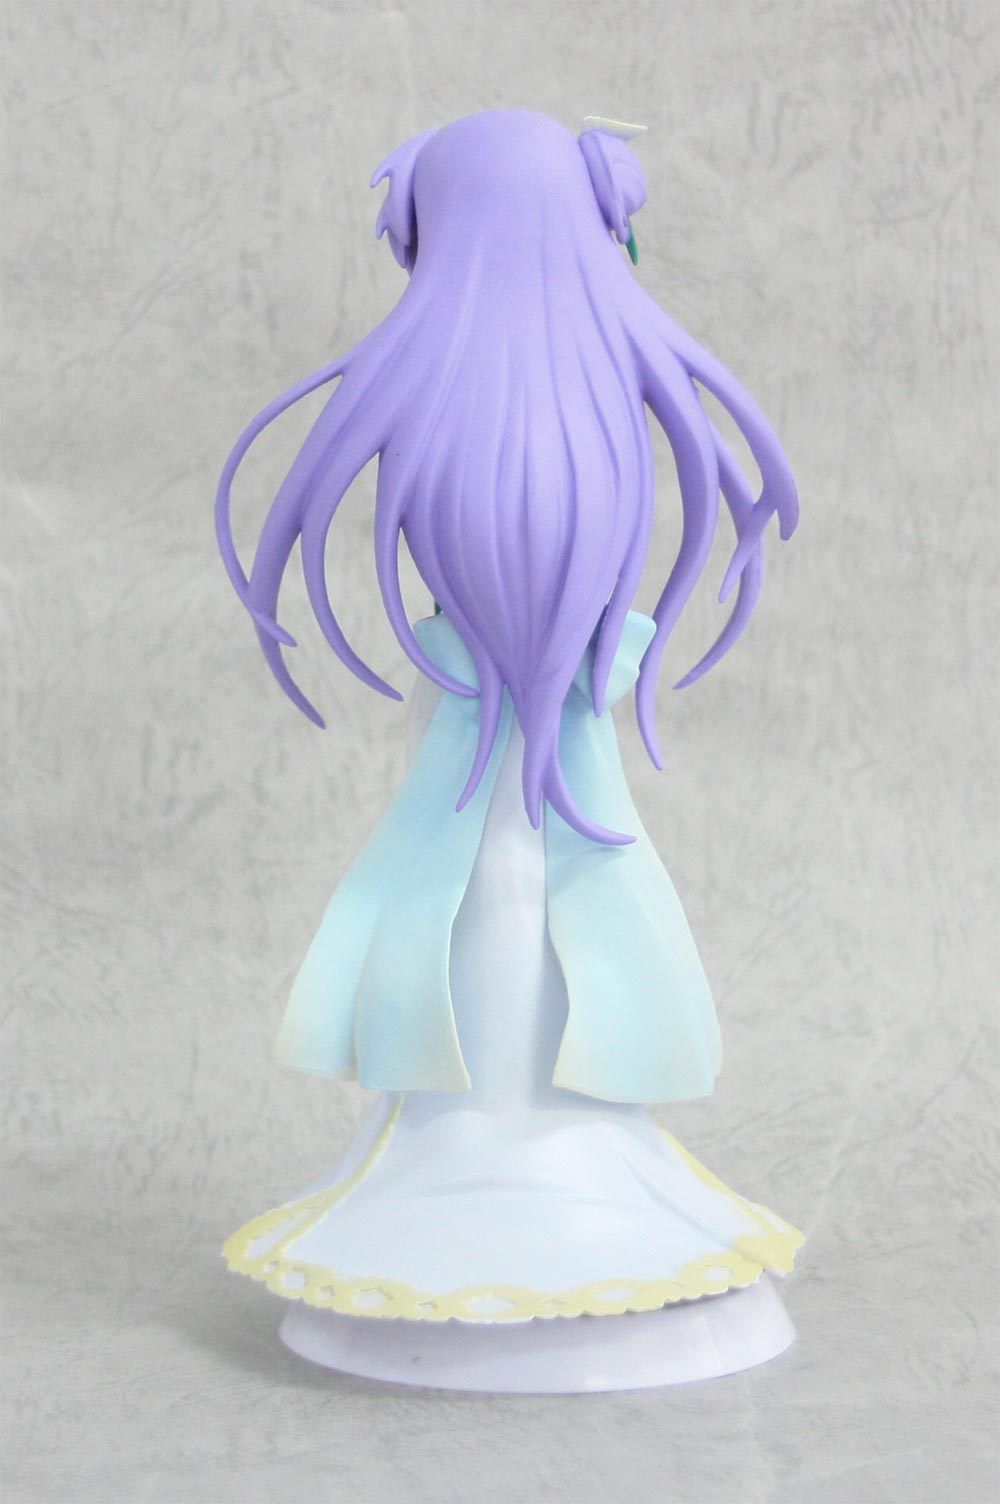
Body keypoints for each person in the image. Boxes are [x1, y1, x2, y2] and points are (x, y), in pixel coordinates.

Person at [217, 110, 802, 1332]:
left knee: (519, 888)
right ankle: (491, 1153)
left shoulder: (488, 412)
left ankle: (513, 1155)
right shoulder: (548, 416)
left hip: (510, 753)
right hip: (504, 752)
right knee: (511, 890)